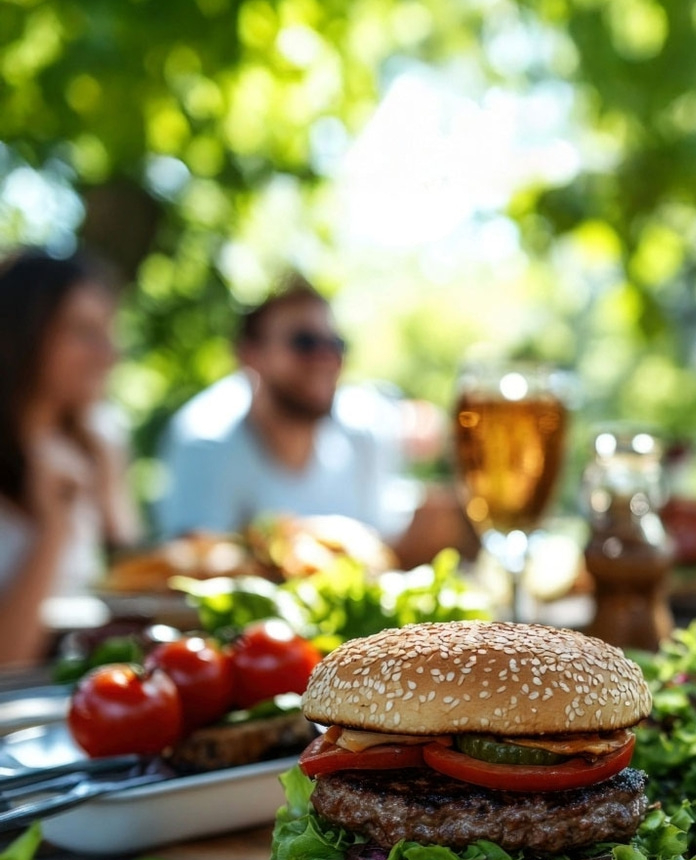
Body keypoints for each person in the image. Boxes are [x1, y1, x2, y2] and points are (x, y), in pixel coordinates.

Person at [159, 280, 475, 566]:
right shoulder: (207, 439)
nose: (326, 357)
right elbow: (192, 562)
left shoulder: (362, 426)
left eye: (336, 344)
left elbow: (423, 423)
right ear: (250, 355)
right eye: (305, 342)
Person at [0, 249, 138, 667]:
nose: (107, 355)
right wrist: (53, 529)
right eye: (83, 331)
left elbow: (133, 590)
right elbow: (7, 661)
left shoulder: (102, 439)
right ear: (22, 334)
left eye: (108, 333)